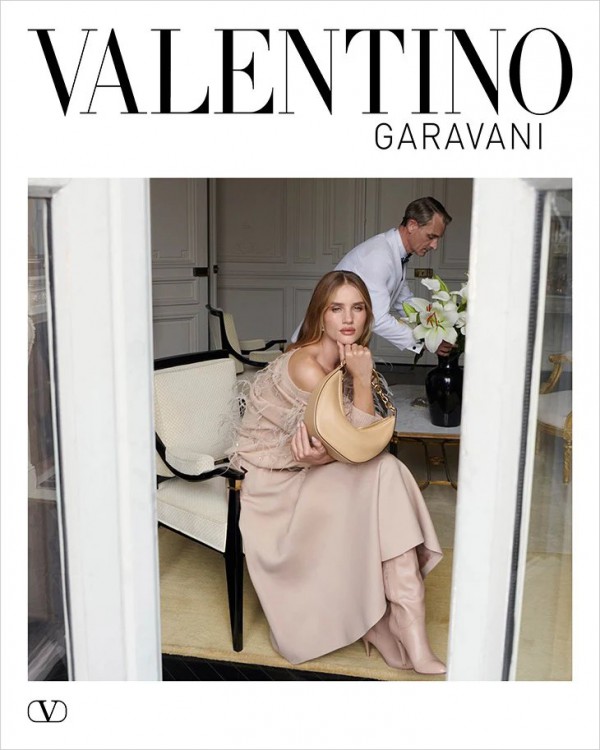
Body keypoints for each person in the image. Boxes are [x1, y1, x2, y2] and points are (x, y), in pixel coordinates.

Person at [230, 270, 445, 675]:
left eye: (357, 308)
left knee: (385, 473)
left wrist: (330, 454)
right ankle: (398, 623)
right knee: (386, 471)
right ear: (320, 315)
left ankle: (397, 623)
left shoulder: (345, 358)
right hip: (274, 485)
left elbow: (351, 446)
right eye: (336, 309)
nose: (348, 319)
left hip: (315, 469)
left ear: (367, 316)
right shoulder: (307, 365)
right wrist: (361, 380)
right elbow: (359, 442)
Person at [292, 196, 454, 357]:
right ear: (412, 225)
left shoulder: (395, 254)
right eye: (431, 237)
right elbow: (379, 318)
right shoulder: (379, 255)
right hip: (316, 348)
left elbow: (405, 303)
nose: (434, 245)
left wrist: (438, 329)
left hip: (339, 347)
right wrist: (427, 342)